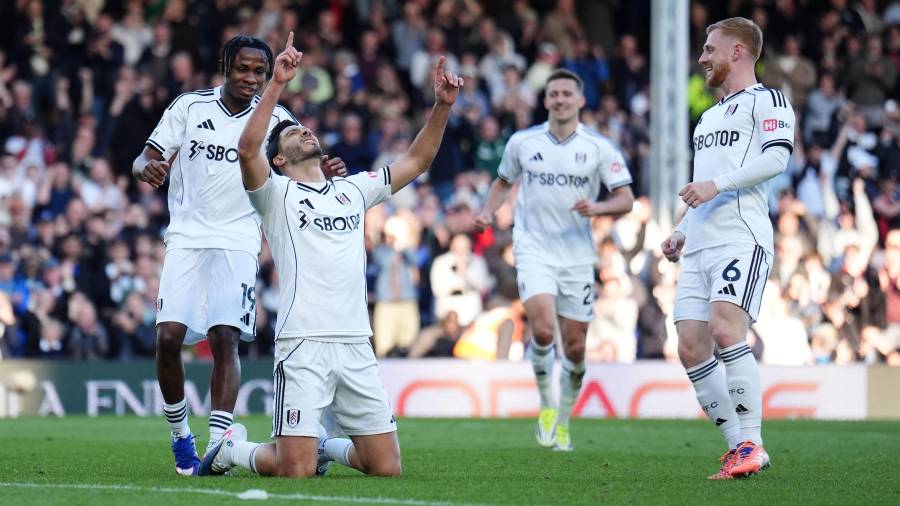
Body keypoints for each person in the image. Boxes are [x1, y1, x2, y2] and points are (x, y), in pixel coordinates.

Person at [199, 33, 462, 478]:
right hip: (303, 343)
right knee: (294, 470)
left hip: (356, 342)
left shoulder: (354, 189)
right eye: (291, 133)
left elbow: (417, 161)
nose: (303, 130)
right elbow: (246, 149)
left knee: (385, 468)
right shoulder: (275, 195)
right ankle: (231, 449)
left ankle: (325, 445)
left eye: (304, 128)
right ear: (279, 161)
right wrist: (276, 83)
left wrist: (441, 107)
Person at [131, 35, 347, 476]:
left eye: (259, 72)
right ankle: (180, 436)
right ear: (225, 66)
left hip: (240, 237)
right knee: (168, 337)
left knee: (225, 336)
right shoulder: (190, 106)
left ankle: (218, 443)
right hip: (187, 235)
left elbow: (300, 161)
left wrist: (325, 170)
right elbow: (144, 157)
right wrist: (146, 168)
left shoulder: (276, 116)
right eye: (243, 69)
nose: (251, 78)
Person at [660, 17, 795, 480]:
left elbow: (776, 158)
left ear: (737, 52)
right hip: (699, 244)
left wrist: (715, 185)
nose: (702, 58)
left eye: (709, 49)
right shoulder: (708, 118)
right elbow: (704, 186)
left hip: (741, 236)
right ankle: (739, 447)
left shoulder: (768, 100)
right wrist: (682, 228)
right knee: (690, 345)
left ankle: (752, 442)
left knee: (724, 329)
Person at [474, 68, 635, 451]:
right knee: (543, 330)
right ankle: (547, 406)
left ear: (580, 100)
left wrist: (598, 208)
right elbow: (502, 182)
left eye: (567, 94)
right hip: (533, 249)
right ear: (545, 100)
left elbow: (626, 198)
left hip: (577, 256)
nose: (560, 99)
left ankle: (563, 419)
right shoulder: (522, 142)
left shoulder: (598, 147)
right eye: (554, 94)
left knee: (575, 348)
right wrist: (487, 211)